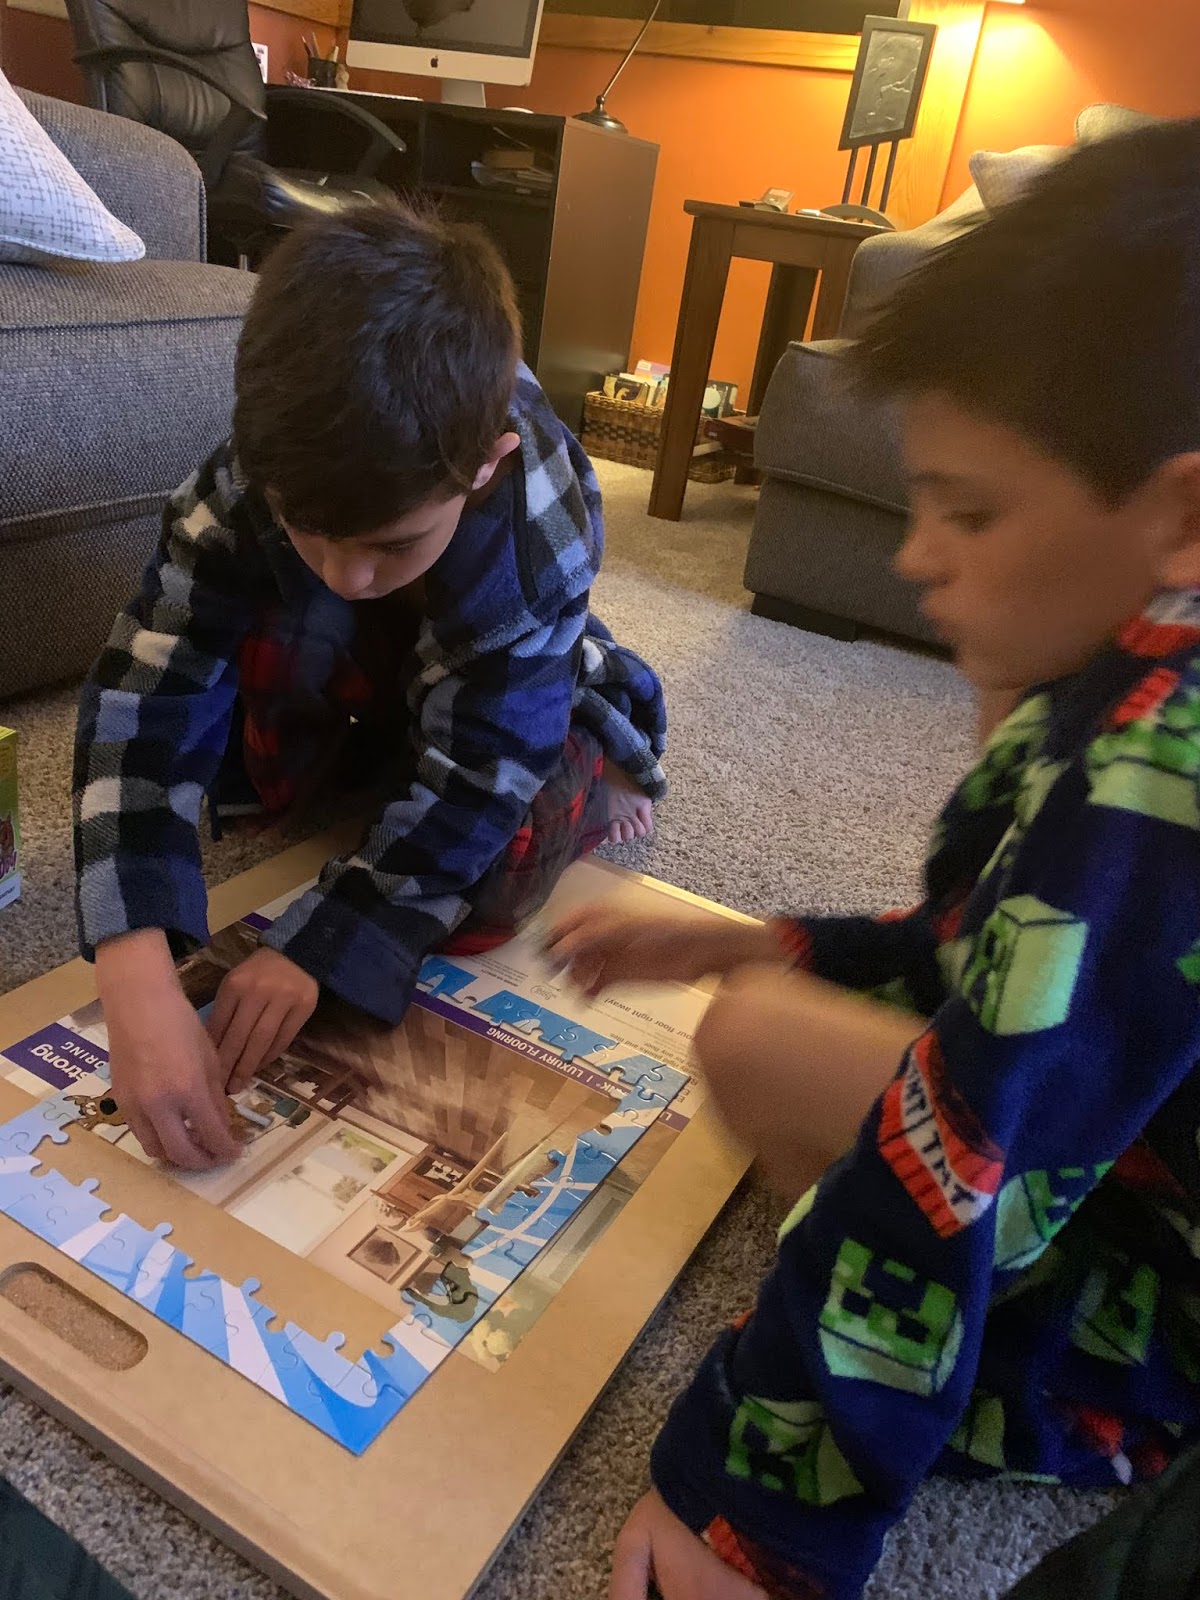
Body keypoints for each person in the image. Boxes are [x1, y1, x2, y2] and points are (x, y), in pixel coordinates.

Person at [547, 119, 1200, 1600]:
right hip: (1121, 1148)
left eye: (970, 511)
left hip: (1163, 1327)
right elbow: (989, 953)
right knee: (760, 1020)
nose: (915, 554)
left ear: (1181, 517)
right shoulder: (1135, 680)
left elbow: (968, 1151)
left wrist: (756, 1517)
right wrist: (756, 940)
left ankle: (979, 1383)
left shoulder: (1157, 768)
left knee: (790, 1077)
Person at [74, 202, 665, 1174]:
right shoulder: (248, 477)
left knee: (494, 866)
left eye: (394, 542)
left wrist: (324, 944)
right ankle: (381, 740)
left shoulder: (535, 508)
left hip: (500, 673)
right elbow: (147, 689)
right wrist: (132, 966)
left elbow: (489, 761)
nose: (348, 572)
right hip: (378, 673)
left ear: (486, 466)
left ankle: (601, 743)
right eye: (307, 528)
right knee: (239, 737)